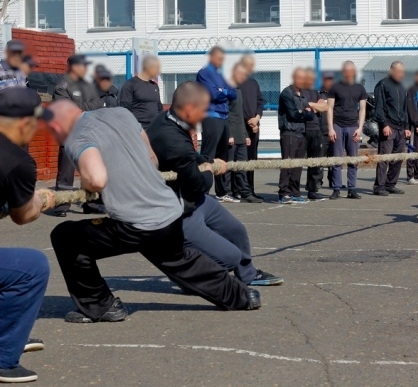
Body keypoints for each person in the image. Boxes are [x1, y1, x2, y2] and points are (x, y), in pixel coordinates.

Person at [47, 101, 261, 324]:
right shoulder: (121, 113)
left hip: (135, 224)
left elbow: (97, 179)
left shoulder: (77, 136)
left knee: (66, 237)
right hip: (168, 211)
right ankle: (242, 296)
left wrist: (90, 187)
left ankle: (101, 306)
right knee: (181, 261)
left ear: (58, 124)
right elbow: (152, 158)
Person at [146, 81, 283, 286]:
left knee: (236, 230)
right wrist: (210, 170)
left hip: (195, 200)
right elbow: (198, 183)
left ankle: (247, 274)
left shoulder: (170, 120)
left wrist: (207, 162)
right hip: (179, 211)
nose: (205, 116)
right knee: (229, 257)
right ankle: (189, 277)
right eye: (203, 110)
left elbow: (192, 158)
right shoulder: (170, 139)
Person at [0, 87, 54, 383]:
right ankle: (3, 357)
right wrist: (44, 200)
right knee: (30, 267)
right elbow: (24, 215)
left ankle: (11, 330)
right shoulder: (17, 161)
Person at [53, 54, 103, 217]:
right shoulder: (62, 86)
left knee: (90, 170)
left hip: (88, 133)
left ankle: (91, 203)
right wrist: (86, 107)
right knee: (66, 173)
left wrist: (83, 107)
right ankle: (61, 205)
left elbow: (98, 103)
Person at [197, 46, 236, 199]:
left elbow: (233, 94)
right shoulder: (203, 73)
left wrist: (223, 91)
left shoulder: (221, 75)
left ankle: (222, 192)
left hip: (224, 118)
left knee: (222, 156)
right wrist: (222, 91)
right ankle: (203, 192)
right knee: (208, 155)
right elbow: (212, 94)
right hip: (211, 117)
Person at [327, 61, 367, 200]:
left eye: (351, 71)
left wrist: (360, 128)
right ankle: (336, 188)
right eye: (346, 71)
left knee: (353, 159)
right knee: (336, 159)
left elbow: (362, 109)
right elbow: (330, 108)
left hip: (353, 127)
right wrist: (331, 128)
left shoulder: (360, 88)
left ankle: (352, 189)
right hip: (338, 125)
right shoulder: (335, 87)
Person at [222, 64, 262, 203]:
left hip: (244, 132)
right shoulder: (228, 90)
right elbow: (227, 114)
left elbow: (240, 114)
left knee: (244, 164)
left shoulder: (242, 90)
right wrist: (230, 134)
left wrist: (247, 133)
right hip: (233, 133)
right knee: (230, 165)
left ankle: (246, 191)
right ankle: (228, 192)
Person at [278, 68, 316, 204]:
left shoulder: (304, 94)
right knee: (287, 163)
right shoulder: (286, 94)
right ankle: (284, 193)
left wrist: (305, 112)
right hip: (289, 133)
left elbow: (311, 114)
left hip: (301, 133)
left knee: (298, 165)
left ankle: (295, 192)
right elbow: (293, 114)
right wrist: (305, 112)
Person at [373, 61, 411, 196]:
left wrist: (406, 126)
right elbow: (379, 107)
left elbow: (405, 108)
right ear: (391, 71)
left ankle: (391, 184)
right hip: (388, 126)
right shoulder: (382, 85)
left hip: (401, 127)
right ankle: (379, 186)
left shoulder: (402, 87)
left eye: (403, 73)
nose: (402, 75)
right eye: (399, 72)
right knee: (385, 157)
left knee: (398, 157)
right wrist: (383, 124)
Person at [238, 55, 265, 198]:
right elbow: (236, 108)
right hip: (241, 128)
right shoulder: (235, 84)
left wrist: (257, 118)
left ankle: (251, 189)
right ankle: (242, 191)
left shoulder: (253, 83)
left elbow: (260, 102)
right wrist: (249, 121)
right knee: (241, 161)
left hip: (254, 127)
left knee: (252, 160)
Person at [303, 67, 329, 200]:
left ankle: (312, 190)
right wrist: (315, 106)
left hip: (316, 130)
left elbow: (325, 107)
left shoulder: (315, 91)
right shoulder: (297, 91)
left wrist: (310, 105)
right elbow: (300, 106)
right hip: (301, 130)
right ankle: (290, 190)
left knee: (316, 162)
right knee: (295, 162)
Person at [118, 55, 163, 129]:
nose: (159, 71)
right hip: (138, 129)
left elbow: (159, 108)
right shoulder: (130, 84)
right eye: (157, 68)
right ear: (149, 68)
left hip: (154, 128)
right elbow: (124, 109)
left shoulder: (154, 86)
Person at [318, 72, 335, 188]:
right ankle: (317, 182)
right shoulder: (317, 94)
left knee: (334, 160)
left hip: (334, 131)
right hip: (321, 131)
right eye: (327, 79)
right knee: (320, 160)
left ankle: (333, 182)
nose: (329, 82)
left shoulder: (336, 94)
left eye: (331, 79)